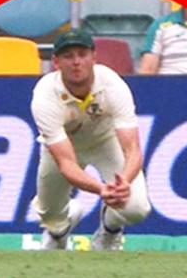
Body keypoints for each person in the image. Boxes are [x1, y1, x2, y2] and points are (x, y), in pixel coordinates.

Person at [30, 28, 151, 251]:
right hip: (64, 148)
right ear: (55, 62)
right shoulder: (45, 95)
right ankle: (60, 231)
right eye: (68, 56)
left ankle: (109, 230)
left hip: (105, 141)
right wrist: (100, 189)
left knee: (135, 208)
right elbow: (66, 163)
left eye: (82, 54)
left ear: (94, 57)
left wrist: (123, 182)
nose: (76, 62)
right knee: (51, 216)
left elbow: (133, 149)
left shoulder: (113, 84)